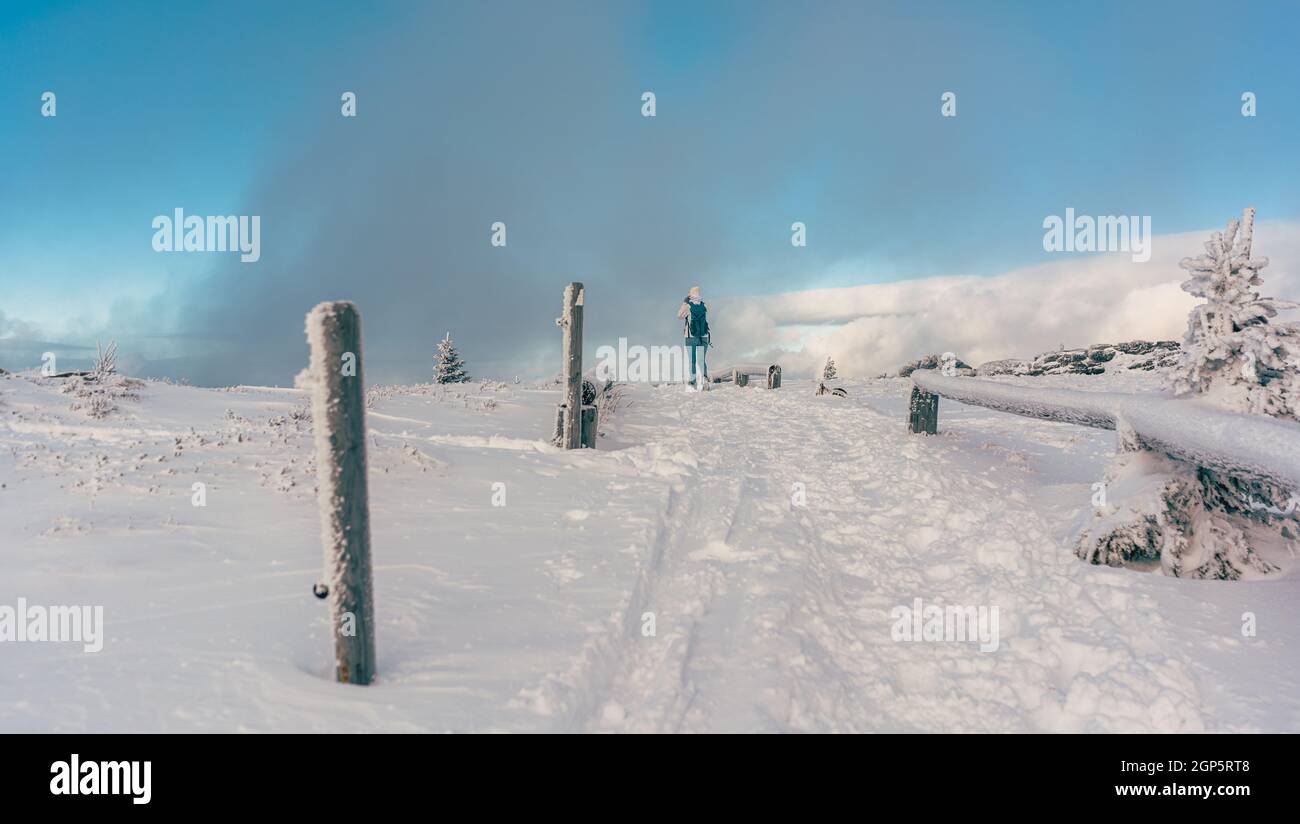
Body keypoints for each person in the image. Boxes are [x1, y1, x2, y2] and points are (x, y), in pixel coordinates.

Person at [677, 286, 709, 387]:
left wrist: (685, 302)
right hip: (703, 336)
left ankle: (693, 380)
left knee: (692, 360)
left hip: (690, 336)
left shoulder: (688, 306)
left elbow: (679, 316)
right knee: (701, 359)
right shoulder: (704, 305)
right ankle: (705, 380)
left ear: (690, 294)